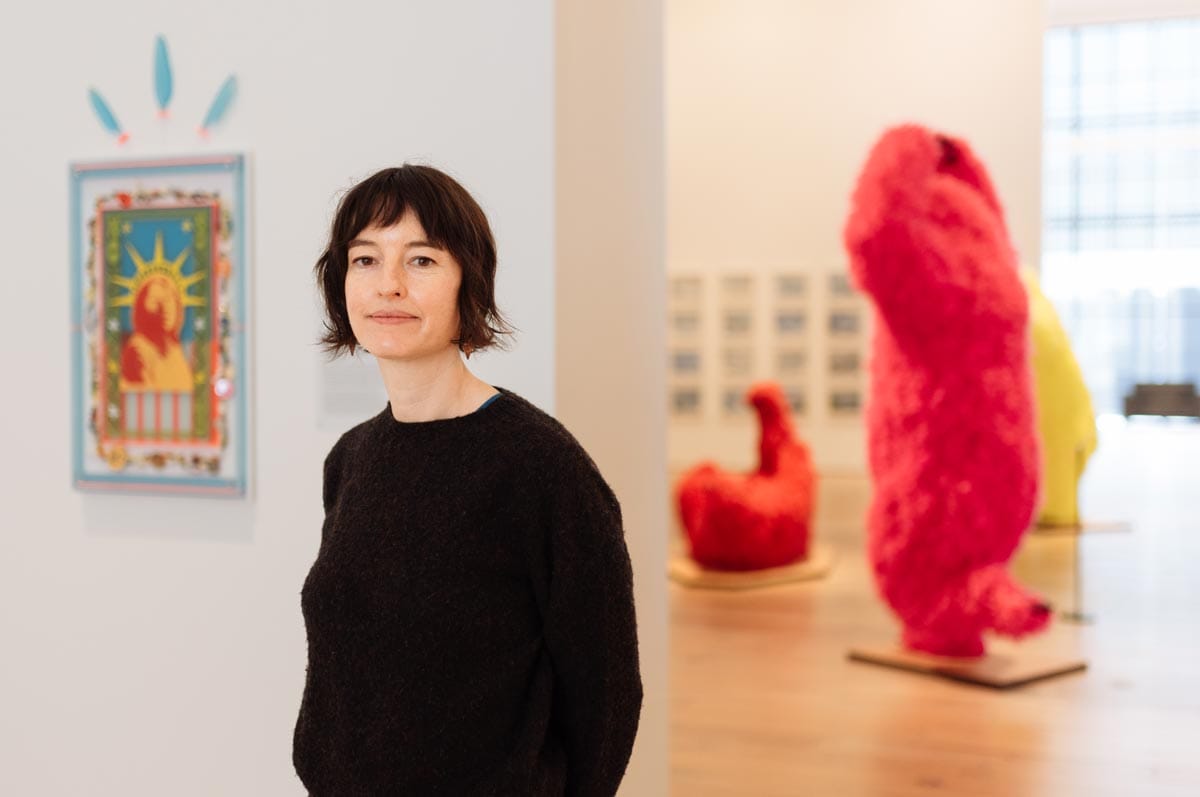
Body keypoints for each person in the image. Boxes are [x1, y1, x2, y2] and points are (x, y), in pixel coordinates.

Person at [292, 165, 643, 796]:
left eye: (421, 261)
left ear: (469, 285)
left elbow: (607, 691)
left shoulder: (542, 466)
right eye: (365, 259)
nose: (388, 285)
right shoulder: (351, 459)